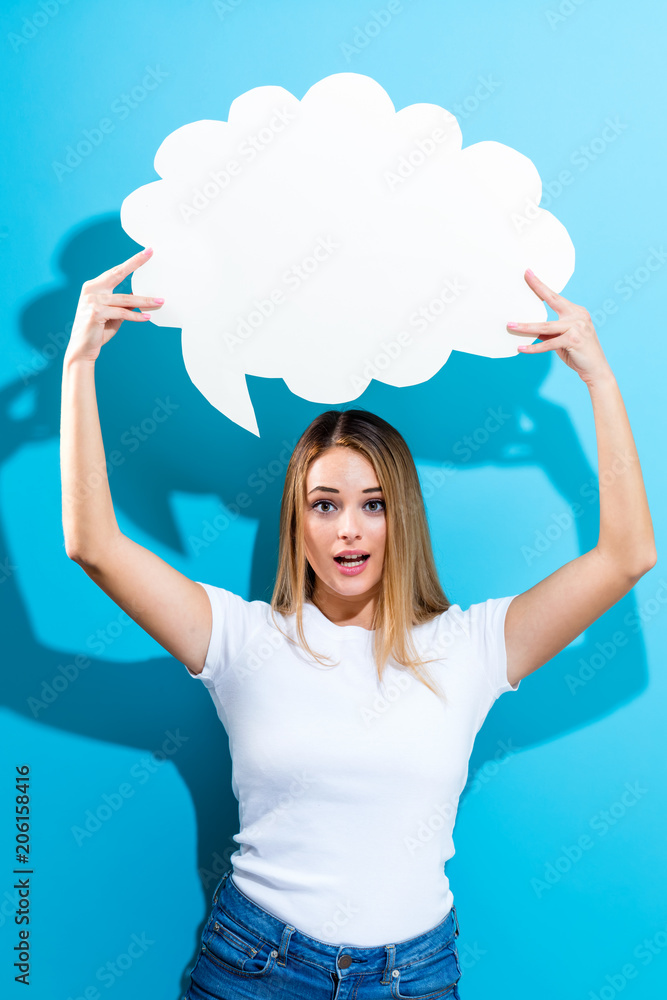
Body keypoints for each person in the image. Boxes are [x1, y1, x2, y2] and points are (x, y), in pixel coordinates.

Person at [61, 248, 656, 1000]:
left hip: (414, 976)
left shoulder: (470, 646)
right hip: (256, 967)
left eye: (371, 504)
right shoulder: (240, 639)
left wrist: (598, 381)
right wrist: (78, 363)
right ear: (297, 522)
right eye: (324, 504)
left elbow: (626, 555)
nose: (349, 529)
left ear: (398, 517)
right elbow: (93, 545)